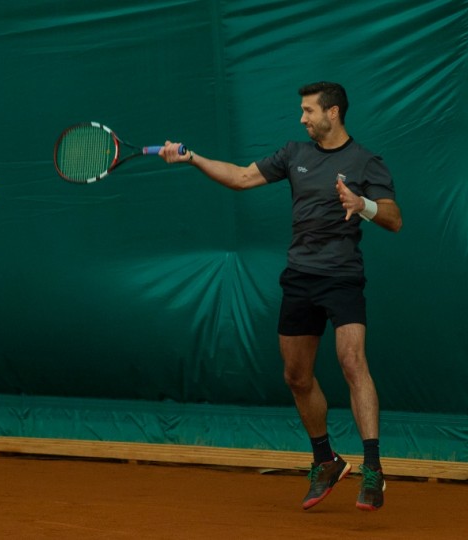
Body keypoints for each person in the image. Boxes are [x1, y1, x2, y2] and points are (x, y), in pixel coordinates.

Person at [159, 81, 402, 511]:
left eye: (309, 111)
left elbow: (394, 219)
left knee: (351, 361)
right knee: (295, 376)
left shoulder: (366, 161)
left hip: (342, 278)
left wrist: (361, 203)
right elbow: (240, 177)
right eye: (303, 111)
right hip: (299, 278)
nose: (302, 118)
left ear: (334, 113)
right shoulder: (294, 153)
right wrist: (191, 157)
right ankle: (325, 459)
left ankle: (373, 469)